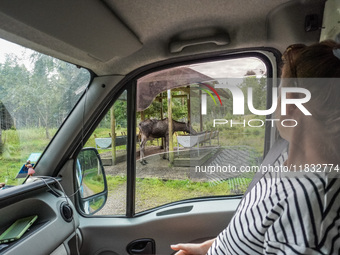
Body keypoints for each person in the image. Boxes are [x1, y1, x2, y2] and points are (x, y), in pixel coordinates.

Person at [171, 40, 340, 254]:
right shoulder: (287, 157)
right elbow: (251, 229)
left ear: (292, 105)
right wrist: (207, 248)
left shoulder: (310, 217)